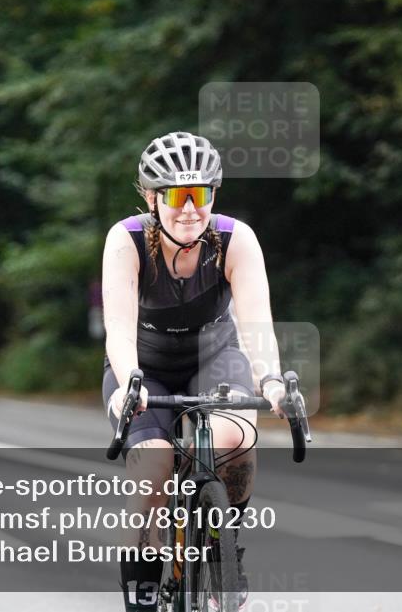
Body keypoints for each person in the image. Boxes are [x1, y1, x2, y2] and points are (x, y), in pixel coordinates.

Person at [102, 132, 289, 612]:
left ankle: (227, 551)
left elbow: (256, 324)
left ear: (213, 195)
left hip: (215, 357)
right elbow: (119, 330)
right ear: (151, 197)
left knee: (236, 441)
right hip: (144, 367)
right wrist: (129, 384)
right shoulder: (125, 242)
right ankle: (142, 599)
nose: (190, 209)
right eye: (177, 197)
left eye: (200, 195)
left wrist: (270, 379)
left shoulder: (235, 239)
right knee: (153, 469)